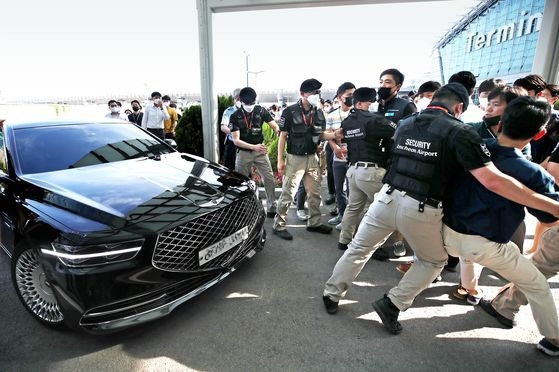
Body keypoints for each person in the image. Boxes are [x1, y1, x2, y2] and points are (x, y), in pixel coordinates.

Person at [321, 83, 559, 337]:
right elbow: (492, 179)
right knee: (433, 261)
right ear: (458, 107)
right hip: (422, 207)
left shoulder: (406, 123)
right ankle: (393, 303)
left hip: (386, 196)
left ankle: (331, 293)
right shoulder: (461, 132)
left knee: (359, 248)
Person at [442, 96, 559, 356]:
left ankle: (469, 290)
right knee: (536, 285)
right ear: (540, 133)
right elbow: (549, 217)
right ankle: (554, 338)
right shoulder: (532, 173)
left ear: (501, 122)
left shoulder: (474, 147)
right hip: (486, 243)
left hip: (445, 233)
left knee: (467, 257)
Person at [272, 78, 339, 240]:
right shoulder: (290, 111)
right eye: (313, 92)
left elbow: (320, 134)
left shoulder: (318, 112)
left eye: (318, 92)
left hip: (312, 157)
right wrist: (280, 160)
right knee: (288, 192)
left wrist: (335, 134)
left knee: (315, 193)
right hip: (295, 158)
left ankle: (314, 223)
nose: (316, 95)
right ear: (302, 94)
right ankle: (278, 225)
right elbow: (283, 136)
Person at [336, 87, 396, 250]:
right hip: (371, 172)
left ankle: (344, 240)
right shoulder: (374, 119)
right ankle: (371, 246)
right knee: (382, 209)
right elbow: (396, 132)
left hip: (353, 171)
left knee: (353, 208)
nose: (373, 106)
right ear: (361, 103)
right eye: (371, 103)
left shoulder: (347, 121)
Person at [373, 68, 417, 260]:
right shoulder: (376, 106)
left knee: (398, 203)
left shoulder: (406, 107)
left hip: (398, 162)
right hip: (377, 160)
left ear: (397, 87)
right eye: (381, 81)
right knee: (379, 204)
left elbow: (412, 133)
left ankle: (398, 240)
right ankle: (378, 243)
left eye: (388, 82)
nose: (383, 85)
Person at [229, 87, 279, 218]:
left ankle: (272, 206)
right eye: (248, 104)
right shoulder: (235, 116)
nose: (250, 106)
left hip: (260, 151)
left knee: (269, 178)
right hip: (244, 152)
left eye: (252, 103)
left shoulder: (261, 110)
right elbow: (236, 140)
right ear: (240, 101)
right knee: (242, 181)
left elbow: (274, 126)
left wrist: (277, 134)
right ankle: (244, 209)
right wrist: (254, 147)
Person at [325, 82, 356, 229]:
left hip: (354, 157)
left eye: (353, 95)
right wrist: (335, 148)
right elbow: (328, 135)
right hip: (338, 156)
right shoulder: (331, 115)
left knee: (352, 189)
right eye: (349, 95)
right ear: (339, 97)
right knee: (339, 188)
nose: (352, 98)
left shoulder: (358, 114)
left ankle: (349, 221)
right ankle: (342, 215)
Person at [220, 88, 241, 170]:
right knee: (228, 170)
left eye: (241, 98)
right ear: (234, 99)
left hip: (245, 145)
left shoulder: (248, 111)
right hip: (232, 144)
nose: (239, 100)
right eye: (237, 98)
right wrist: (234, 132)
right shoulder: (229, 111)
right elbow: (223, 127)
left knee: (244, 172)